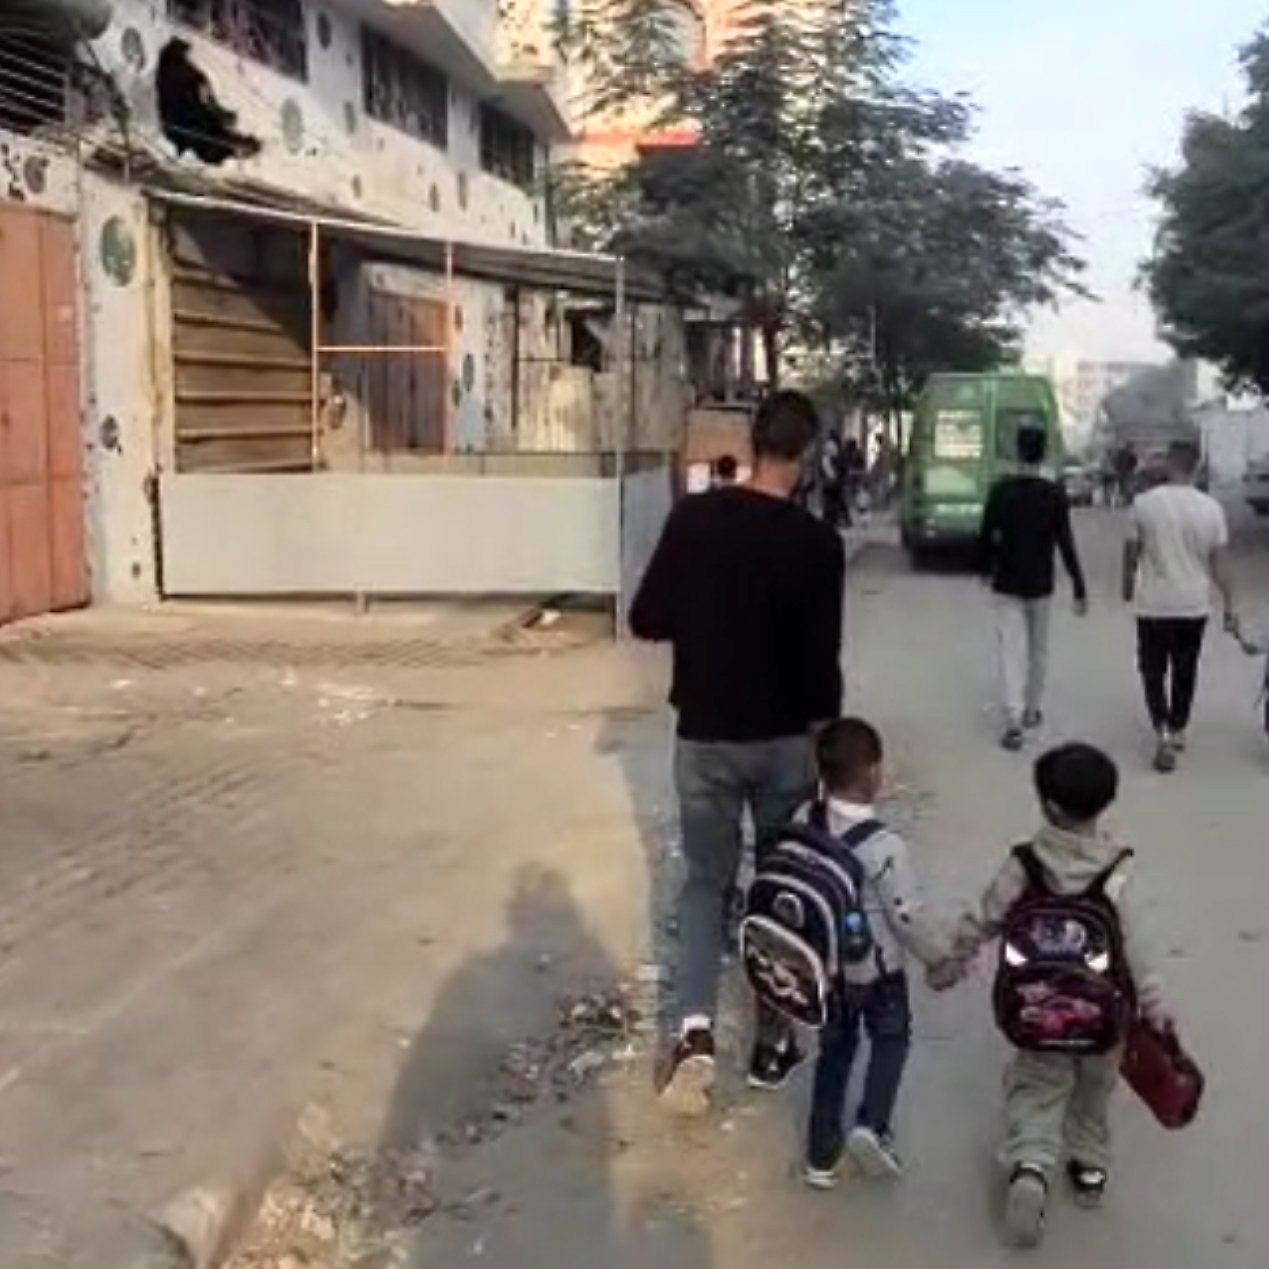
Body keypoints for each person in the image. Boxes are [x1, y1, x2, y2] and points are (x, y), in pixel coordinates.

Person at [630, 390, 845, 1115]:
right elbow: (823, 666)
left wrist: (707, 616)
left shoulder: (694, 520)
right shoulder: (818, 545)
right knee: (779, 882)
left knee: (704, 884)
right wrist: (825, 744)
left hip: (705, 736)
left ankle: (692, 1032)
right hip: (785, 742)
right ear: (808, 454)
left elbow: (646, 616)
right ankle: (772, 1039)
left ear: (753, 444)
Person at [936, 743, 1171, 1248]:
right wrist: (1154, 1006)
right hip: (1104, 1014)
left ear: (1045, 804)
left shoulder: (1025, 863)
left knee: (1038, 1086)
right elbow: (1139, 947)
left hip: (1037, 1008)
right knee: (1093, 1088)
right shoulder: (1117, 871)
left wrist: (953, 961)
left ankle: (1031, 1164)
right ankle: (1088, 1166)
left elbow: (986, 916)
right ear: (1105, 804)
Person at [799, 718, 952, 1190]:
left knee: (834, 1052)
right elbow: (905, 916)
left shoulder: (805, 817)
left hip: (826, 968)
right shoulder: (885, 846)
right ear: (873, 774)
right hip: (877, 970)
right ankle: (872, 1124)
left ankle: (820, 1156)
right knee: (891, 1040)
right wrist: (939, 958)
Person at [1122, 438, 1236, 773]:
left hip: (1153, 603)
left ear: (1168, 464)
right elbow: (1220, 564)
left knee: (1152, 669)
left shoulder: (1143, 504)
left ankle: (1161, 728)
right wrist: (1230, 606)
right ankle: (1178, 726)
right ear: (1196, 466)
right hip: (1193, 604)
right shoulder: (1211, 509)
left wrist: (1126, 587)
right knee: (1186, 669)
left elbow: (1131, 553)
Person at [979, 425, 1088, 752]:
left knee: (1011, 649)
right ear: (1042, 453)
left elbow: (985, 535)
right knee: (1038, 649)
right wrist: (1079, 587)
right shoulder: (1053, 494)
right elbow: (1065, 542)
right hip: (1041, 583)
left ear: (1017, 451)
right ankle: (1031, 709)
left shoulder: (1000, 491)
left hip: (1007, 581)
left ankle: (1012, 719)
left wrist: (985, 567)